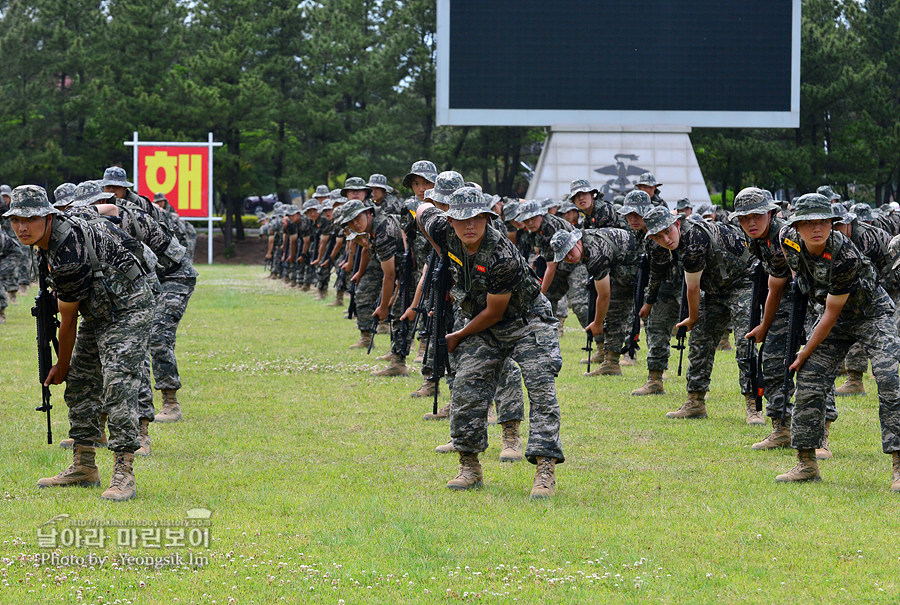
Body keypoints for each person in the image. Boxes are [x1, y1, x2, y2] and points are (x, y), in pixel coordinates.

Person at [6, 185, 154, 501]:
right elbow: (105, 210)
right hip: (99, 307)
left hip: (128, 307)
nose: (22, 227)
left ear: (48, 215)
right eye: (16, 219)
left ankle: (123, 473)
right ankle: (84, 466)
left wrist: (60, 363)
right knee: (81, 383)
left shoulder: (66, 254)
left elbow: (69, 321)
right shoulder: (55, 229)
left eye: (30, 219)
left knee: (118, 385)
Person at [416, 186, 564, 498]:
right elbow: (421, 211)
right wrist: (440, 249)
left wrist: (458, 335)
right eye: (461, 218)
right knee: (466, 385)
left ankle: (545, 468)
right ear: (450, 220)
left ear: (487, 218)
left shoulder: (502, 255)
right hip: (480, 319)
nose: (469, 225)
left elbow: (496, 312)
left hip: (526, 319)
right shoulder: (443, 231)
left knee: (541, 387)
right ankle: (469, 465)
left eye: (477, 218)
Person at [775, 194, 900, 489]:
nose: (816, 228)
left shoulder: (845, 256)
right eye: (808, 223)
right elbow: (799, 274)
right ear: (797, 225)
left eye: (823, 222)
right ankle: (806, 462)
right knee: (809, 376)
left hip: (870, 314)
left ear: (832, 223)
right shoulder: (787, 239)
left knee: (889, 378)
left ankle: (898, 465)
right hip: (833, 315)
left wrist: (805, 349)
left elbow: (830, 313)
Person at [732, 187, 839, 453]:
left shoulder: (787, 235)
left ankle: (821, 435)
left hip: (818, 300)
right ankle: (781, 427)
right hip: (787, 300)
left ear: (771, 213)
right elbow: (776, 285)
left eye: (757, 215)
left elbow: (809, 277)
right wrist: (764, 327)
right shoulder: (757, 240)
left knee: (815, 365)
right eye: (744, 218)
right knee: (772, 361)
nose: (751, 223)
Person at [642, 205, 758, 423]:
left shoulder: (693, 240)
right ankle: (695, 401)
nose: (665, 239)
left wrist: (692, 318)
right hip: (715, 288)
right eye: (658, 236)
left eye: (668, 231)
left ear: (676, 224)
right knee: (700, 342)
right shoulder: (667, 244)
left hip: (742, 282)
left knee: (745, 343)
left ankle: (754, 406)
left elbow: (693, 288)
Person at [618, 191, 683, 396]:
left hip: (685, 282)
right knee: (656, 328)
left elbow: (657, 271)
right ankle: (655, 379)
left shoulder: (658, 227)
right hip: (665, 285)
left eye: (638, 214)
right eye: (629, 215)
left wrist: (649, 301)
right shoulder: (640, 233)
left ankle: (698, 388)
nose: (633, 219)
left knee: (700, 334)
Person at [550, 226, 639, 376]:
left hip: (635, 267)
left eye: (569, 252)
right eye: (564, 256)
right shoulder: (586, 241)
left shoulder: (595, 254)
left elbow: (604, 296)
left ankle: (617, 361)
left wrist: (597, 323)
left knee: (616, 311)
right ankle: (610, 362)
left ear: (576, 243)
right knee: (614, 312)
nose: (569, 258)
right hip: (624, 265)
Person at [340, 198, 411, 377]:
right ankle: (397, 360)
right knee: (399, 309)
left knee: (400, 311)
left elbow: (389, 275)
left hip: (418, 267)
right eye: (351, 222)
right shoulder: (373, 228)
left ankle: (400, 363)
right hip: (409, 268)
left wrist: (383, 306)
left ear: (368, 213)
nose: (355, 224)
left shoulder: (382, 231)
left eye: (358, 218)